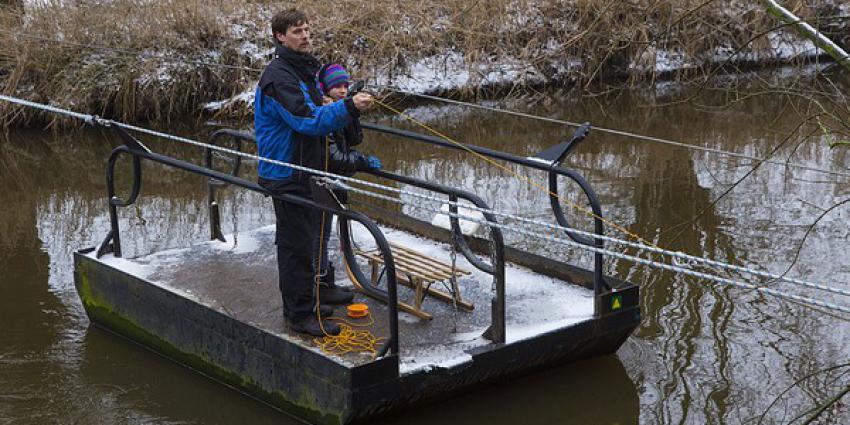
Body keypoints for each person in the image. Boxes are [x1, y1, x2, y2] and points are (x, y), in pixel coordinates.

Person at [254, 8, 373, 336]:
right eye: (296, 31)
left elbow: (315, 105)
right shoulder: (278, 76)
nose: (305, 36)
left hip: (307, 170)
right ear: (280, 36)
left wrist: (336, 102)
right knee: (296, 247)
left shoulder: (300, 68)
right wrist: (347, 107)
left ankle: (310, 299)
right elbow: (305, 120)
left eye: (307, 29)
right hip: (287, 173)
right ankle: (299, 315)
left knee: (309, 242)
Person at [312, 63, 381, 296]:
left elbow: (355, 138)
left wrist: (351, 110)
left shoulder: (338, 109)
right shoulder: (323, 113)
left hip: (332, 183)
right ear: (325, 89)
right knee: (319, 234)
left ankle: (322, 279)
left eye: (345, 86)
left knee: (324, 232)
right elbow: (336, 159)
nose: (342, 90)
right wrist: (361, 161)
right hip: (321, 183)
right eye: (337, 87)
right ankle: (319, 283)